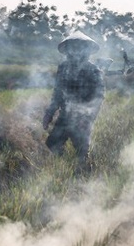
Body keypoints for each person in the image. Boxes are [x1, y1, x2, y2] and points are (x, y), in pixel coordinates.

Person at [43, 31, 105, 170]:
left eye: (80, 47)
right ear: (68, 50)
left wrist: (88, 117)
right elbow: (57, 93)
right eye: (73, 47)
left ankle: (83, 177)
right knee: (52, 143)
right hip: (65, 116)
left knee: (81, 152)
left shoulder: (93, 70)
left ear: (87, 50)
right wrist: (49, 113)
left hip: (83, 117)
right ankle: (62, 168)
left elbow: (99, 96)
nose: (76, 50)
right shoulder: (63, 68)